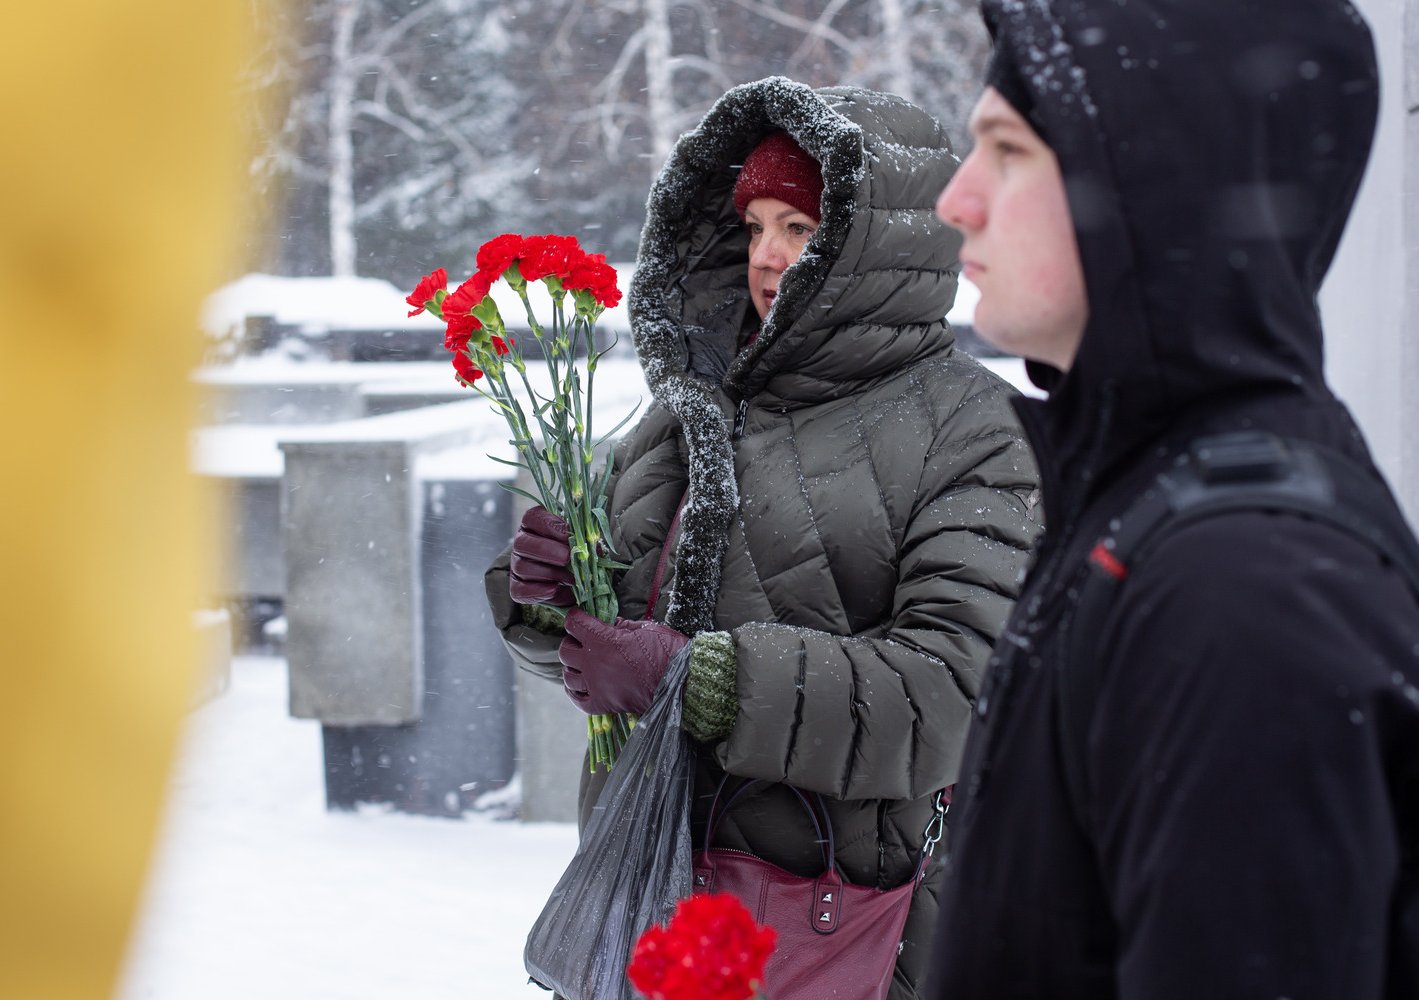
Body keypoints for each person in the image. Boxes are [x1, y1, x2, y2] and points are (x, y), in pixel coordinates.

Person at [487, 76, 1041, 995]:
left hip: (845, 935)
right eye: (754, 227)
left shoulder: (976, 432)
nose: (769, 256)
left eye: (803, 228)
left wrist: (695, 680)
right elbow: (613, 644)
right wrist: (550, 599)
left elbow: (952, 697)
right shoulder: (689, 413)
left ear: (875, 246)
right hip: (658, 913)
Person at [926, 1, 1419, 997]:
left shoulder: (1245, 595)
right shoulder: (1141, 506)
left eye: (1009, 149)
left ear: (1156, 185)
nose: (958, 199)